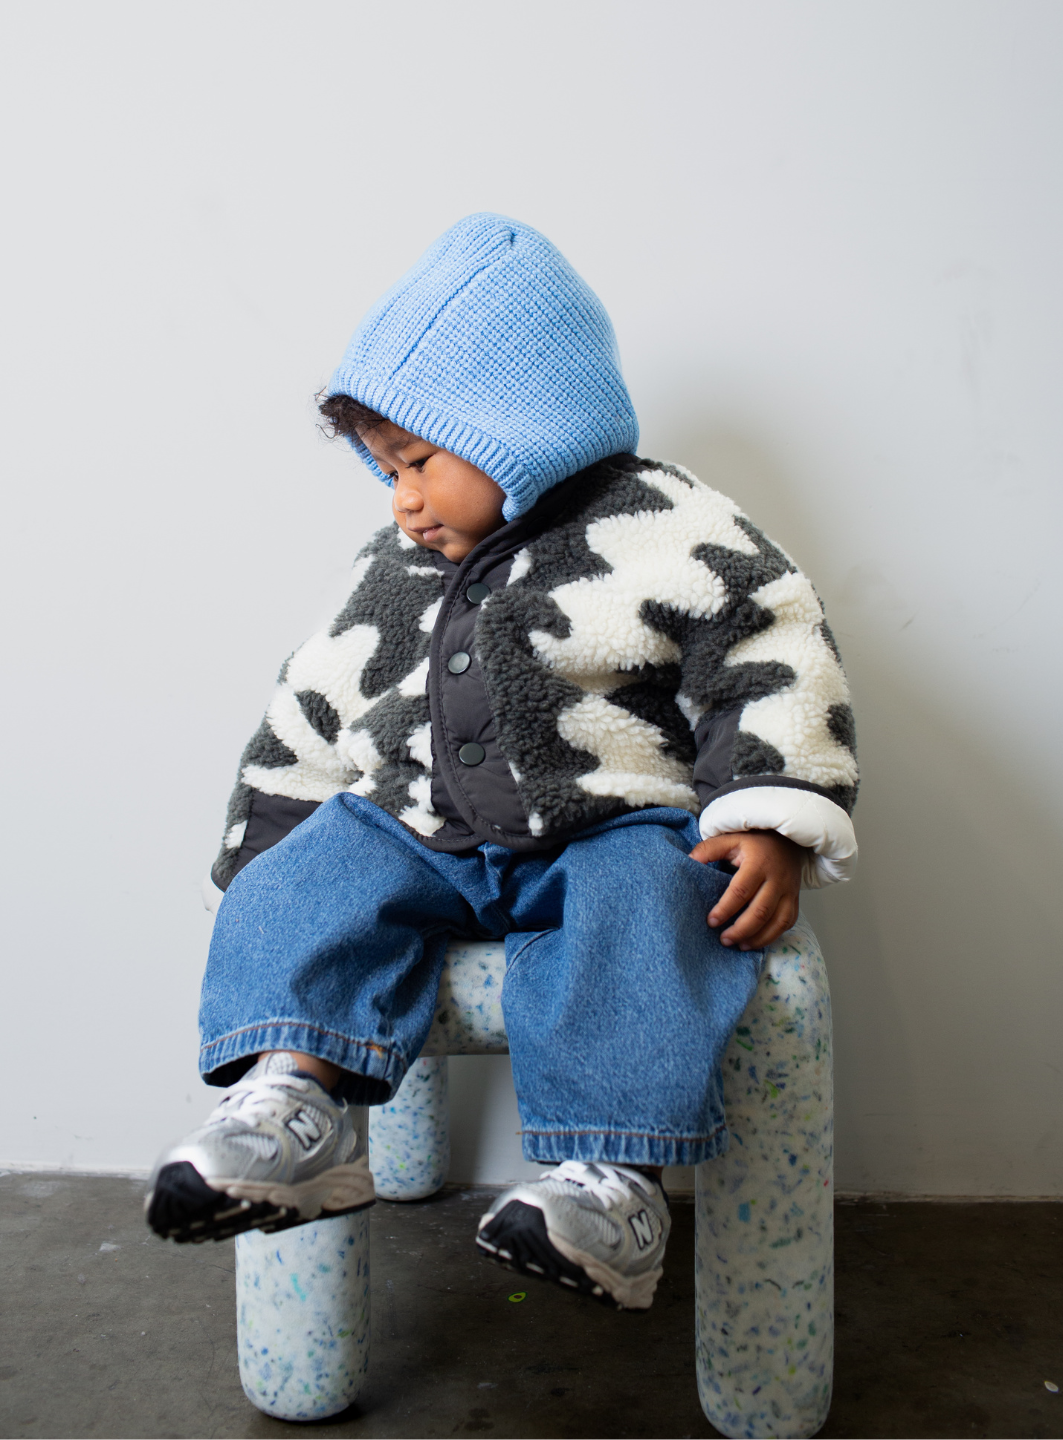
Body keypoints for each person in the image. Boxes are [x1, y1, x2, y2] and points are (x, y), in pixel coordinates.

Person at [145, 213, 858, 1310]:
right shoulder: (390, 564)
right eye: (385, 471)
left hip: (607, 832)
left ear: (516, 424)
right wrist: (266, 852)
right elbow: (314, 698)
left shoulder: (664, 524)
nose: (403, 502)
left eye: (418, 462)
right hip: (419, 835)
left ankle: (608, 1184)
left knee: (652, 907)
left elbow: (766, 647)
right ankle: (297, 1103)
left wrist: (769, 811)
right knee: (314, 877)